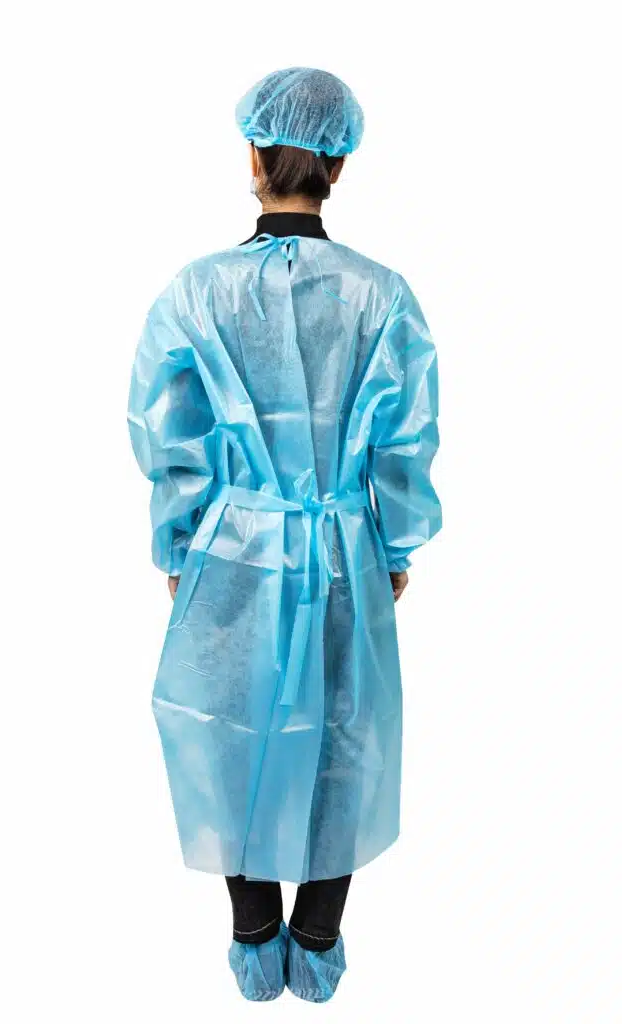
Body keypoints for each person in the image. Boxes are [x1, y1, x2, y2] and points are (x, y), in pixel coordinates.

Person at [127, 67, 442, 1002]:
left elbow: (167, 430)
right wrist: (393, 546)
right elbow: (407, 437)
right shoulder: (382, 297)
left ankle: (254, 929)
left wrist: (181, 542)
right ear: (338, 166)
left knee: (232, 730)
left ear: (253, 158)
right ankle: (318, 933)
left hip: (232, 548)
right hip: (343, 547)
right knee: (346, 730)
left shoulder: (198, 292)